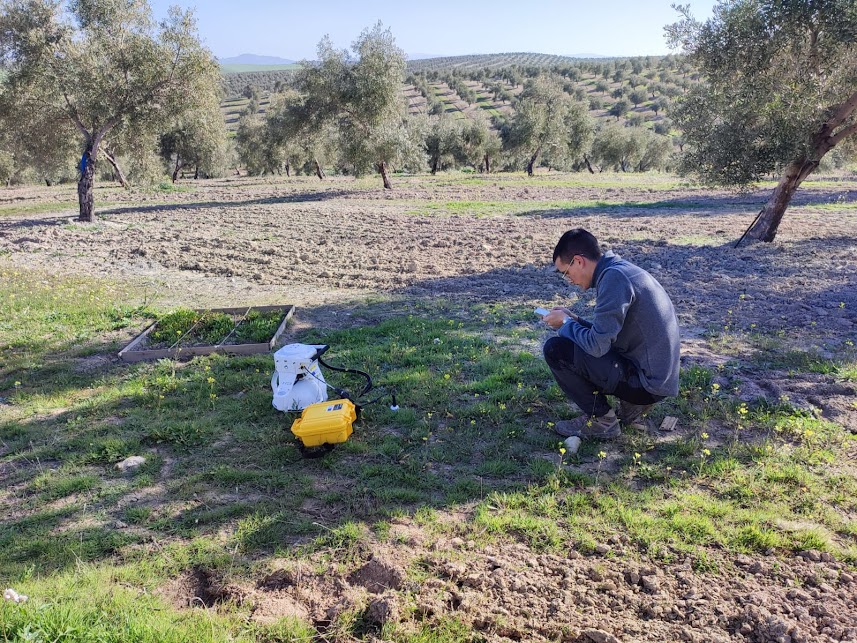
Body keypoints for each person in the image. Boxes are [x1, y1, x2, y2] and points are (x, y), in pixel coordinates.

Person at [541, 228, 680, 439]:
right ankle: (631, 403)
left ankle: (602, 420)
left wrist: (566, 324)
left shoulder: (614, 279)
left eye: (566, 273)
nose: (569, 280)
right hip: (655, 377)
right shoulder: (619, 270)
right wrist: (575, 320)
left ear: (579, 261)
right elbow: (606, 334)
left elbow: (597, 346)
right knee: (572, 339)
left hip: (647, 383)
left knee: (556, 349)